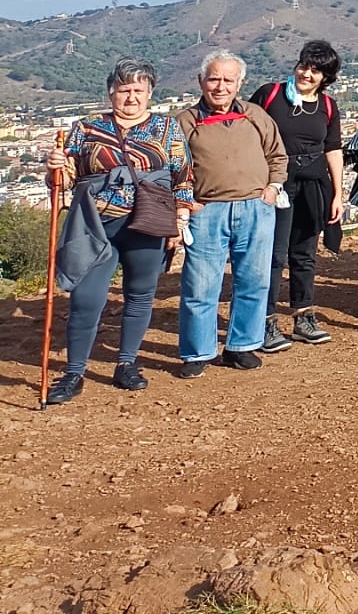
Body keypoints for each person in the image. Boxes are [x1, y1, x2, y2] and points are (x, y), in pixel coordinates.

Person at [42, 60, 189, 402]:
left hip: (149, 222)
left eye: (139, 90)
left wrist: (180, 221)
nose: (132, 97)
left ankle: (126, 363)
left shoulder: (167, 129)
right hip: (94, 224)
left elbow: (183, 178)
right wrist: (53, 169)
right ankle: (74, 372)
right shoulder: (86, 128)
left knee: (139, 294)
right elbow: (62, 182)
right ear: (111, 92)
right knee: (86, 299)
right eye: (125, 90)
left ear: (150, 93)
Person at [174, 52, 286, 377]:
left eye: (228, 80)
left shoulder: (255, 115)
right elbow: (175, 167)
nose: (220, 87)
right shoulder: (186, 121)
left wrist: (272, 189)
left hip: (256, 208)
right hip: (207, 211)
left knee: (254, 280)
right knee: (200, 284)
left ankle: (242, 346)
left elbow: (277, 154)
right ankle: (198, 352)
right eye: (214, 79)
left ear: (240, 83)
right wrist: (186, 203)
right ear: (201, 82)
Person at [249, 39, 344, 349]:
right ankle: (265, 322)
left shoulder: (327, 106)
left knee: (304, 254)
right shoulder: (270, 95)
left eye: (316, 71)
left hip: (313, 185)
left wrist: (337, 194)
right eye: (304, 66)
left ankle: (303, 316)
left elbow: (332, 149)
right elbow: (246, 130)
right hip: (276, 184)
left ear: (326, 78)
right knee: (274, 255)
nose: (307, 74)